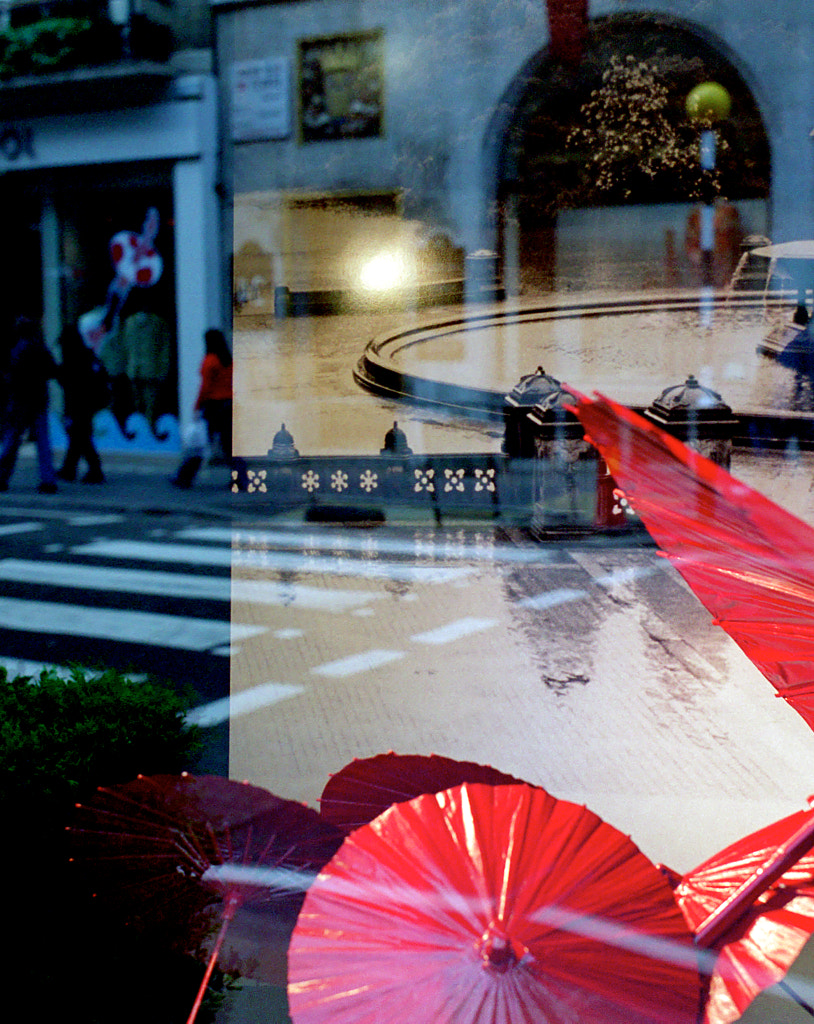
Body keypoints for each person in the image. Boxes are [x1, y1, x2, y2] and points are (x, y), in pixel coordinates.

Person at [171, 328, 247, 490]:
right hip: (229, 405)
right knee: (230, 446)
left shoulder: (210, 360)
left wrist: (197, 406)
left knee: (200, 444)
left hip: (213, 406)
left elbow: (205, 387)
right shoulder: (228, 360)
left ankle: (184, 477)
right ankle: (241, 478)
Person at [0, 316, 59, 493]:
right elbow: (52, 370)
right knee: (42, 442)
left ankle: (2, 477)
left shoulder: (17, 349)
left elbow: (11, 376)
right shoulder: (40, 348)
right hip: (38, 399)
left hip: (20, 401)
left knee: (11, 442)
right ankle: (48, 480)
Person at [56, 325, 107, 484]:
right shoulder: (87, 355)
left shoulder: (73, 358)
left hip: (78, 403)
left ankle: (93, 470)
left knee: (80, 437)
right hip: (88, 403)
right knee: (78, 437)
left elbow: (68, 382)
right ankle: (70, 468)